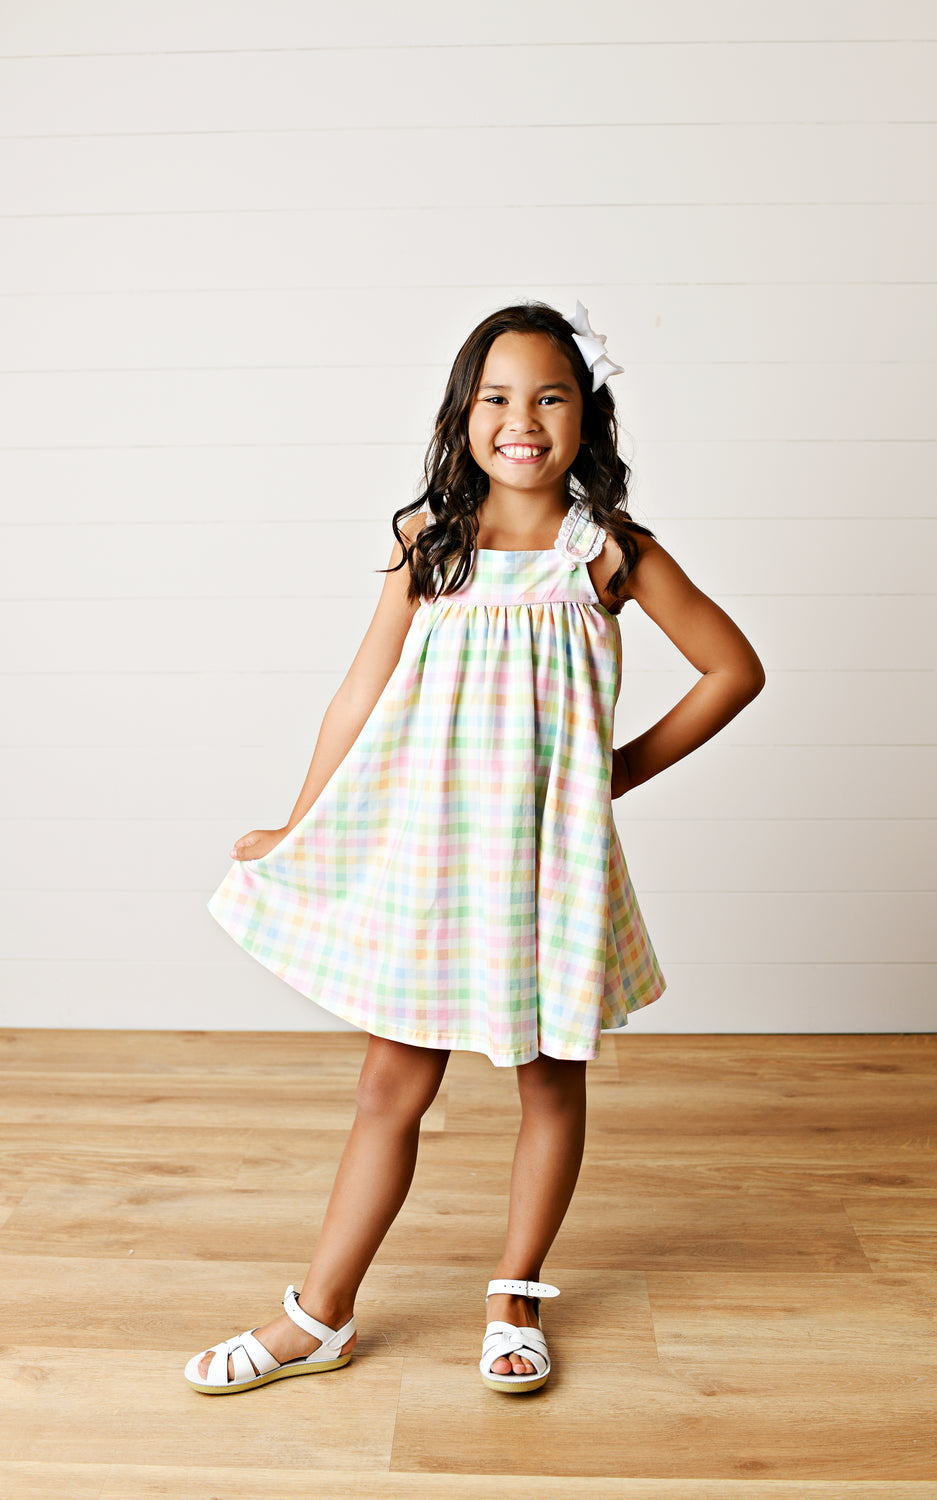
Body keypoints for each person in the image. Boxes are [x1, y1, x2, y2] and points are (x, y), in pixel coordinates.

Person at [184, 299, 766, 1398]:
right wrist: (302, 820)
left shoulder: (609, 557)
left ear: (586, 416)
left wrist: (615, 771)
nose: (522, 420)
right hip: (431, 859)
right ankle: (320, 1312)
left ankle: (516, 1293)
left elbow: (733, 669)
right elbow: (360, 690)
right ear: (463, 417)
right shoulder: (433, 546)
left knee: (548, 1083)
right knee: (389, 1085)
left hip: (544, 867)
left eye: (550, 397)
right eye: (497, 398)